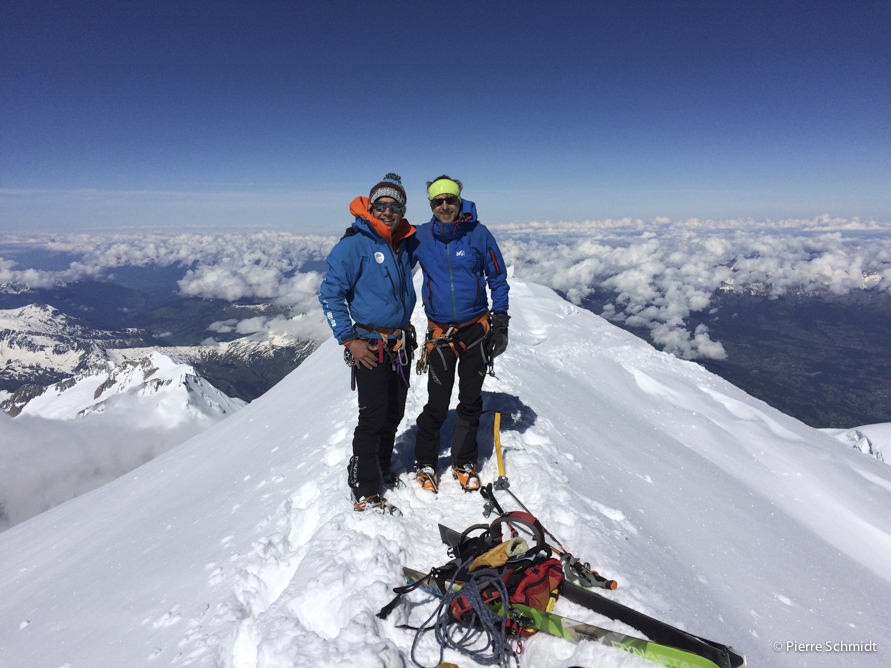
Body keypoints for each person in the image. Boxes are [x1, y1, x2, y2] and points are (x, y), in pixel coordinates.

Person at [319, 174, 417, 513]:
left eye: (395, 206)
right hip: (370, 345)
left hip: (400, 344)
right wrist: (350, 340)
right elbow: (330, 295)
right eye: (381, 205)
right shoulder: (352, 246)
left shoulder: (403, 242)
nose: (388, 211)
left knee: (394, 412)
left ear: (402, 211)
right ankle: (364, 484)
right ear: (371, 208)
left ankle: (381, 465)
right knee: (373, 416)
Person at [412, 175, 510, 493]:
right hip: (441, 333)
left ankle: (464, 461)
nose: (444, 206)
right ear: (431, 205)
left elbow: (498, 278)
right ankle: (426, 461)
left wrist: (500, 321)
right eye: (438, 201)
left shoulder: (478, 234)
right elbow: (393, 267)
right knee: (437, 402)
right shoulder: (419, 237)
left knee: (470, 400)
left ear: (459, 201)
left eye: (450, 200)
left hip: (476, 330)